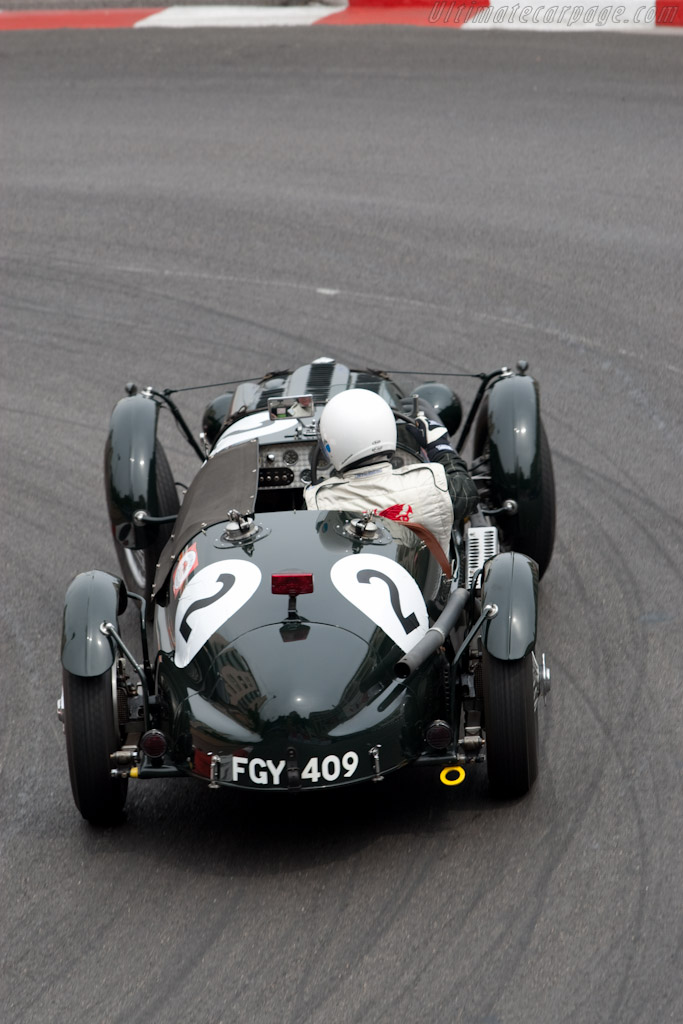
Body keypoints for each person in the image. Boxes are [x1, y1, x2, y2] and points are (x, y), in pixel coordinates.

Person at [304, 389, 480, 558]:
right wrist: (440, 448)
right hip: (427, 586)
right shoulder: (433, 484)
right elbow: (468, 493)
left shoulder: (317, 501)